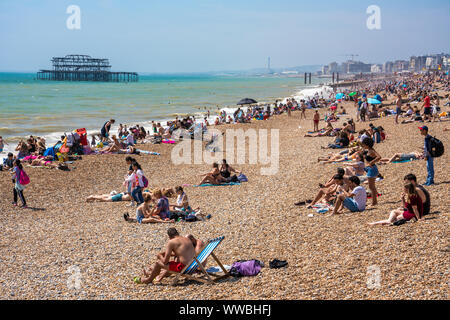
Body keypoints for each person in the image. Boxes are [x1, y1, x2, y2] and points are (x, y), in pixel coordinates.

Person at [361, 137, 381, 206]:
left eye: (364, 144)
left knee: (371, 187)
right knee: (372, 186)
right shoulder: (369, 150)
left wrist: (371, 162)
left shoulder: (371, 150)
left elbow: (379, 157)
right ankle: (375, 201)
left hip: (372, 169)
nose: (363, 146)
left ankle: (374, 202)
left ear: (367, 144)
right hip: (371, 169)